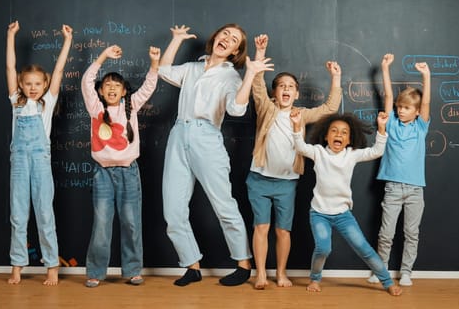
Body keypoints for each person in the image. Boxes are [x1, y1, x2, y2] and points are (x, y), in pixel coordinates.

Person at [158, 24, 274, 287]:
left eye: (234, 40)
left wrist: (250, 75)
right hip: (178, 135)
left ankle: (243, 263)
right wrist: (175, 39)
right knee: (173, 210)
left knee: (224, 205)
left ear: (235, 51)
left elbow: (236, 110)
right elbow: (163, 71)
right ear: (216, 38)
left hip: (207, 138)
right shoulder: (192, 68)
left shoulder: (232, 77)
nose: (227, 39)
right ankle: (191, 266)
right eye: (225, 34)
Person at [246, 34, 342, 289]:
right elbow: (256, 86)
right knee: (261, 227)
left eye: (290, 86)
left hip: (287, 182)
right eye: (281, 86)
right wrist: (259, 53)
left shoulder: (302, 114)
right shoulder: (267, 109)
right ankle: (261, 274)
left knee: (282, 231)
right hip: (259, 179)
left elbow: (330, 107)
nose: (286, 89)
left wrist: (336, 78)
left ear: (296, 93)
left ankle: (280, 273)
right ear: (274, 93)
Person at [290, 108, 402, 296]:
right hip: (319, 213)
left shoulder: (352, 154)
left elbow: (377, 151)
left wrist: (382, 128)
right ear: (326, 136)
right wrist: (296, 125)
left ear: (349, 140)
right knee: (323, 248)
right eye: (334, 131)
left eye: (344, 133)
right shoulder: (318, 152)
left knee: (364, 248)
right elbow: (300, 147)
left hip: (343, 215)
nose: (338, 135)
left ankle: (387, 281)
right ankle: (315, 279)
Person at [82, 45, 160, 288]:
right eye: (107, 85)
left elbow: (148, 86)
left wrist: (154, 64)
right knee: (102, 224)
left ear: (124, 91)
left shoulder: (131, 106)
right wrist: (104, 56)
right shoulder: (96, 109)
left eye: (117, 85)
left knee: (131, 222)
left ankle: (133, 270)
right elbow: (86, 81)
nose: (112, 88)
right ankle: (95, 271)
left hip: (128, 172)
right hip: (103, 174)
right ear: (100, 91)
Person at [5, 20, 73, 285]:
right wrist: (11, 35)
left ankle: (52, 265)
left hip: (41, 161)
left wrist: (67, 41)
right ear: (21, 85)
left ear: (44, 86)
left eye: (37, 84)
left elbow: (58, 70)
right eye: (28, 83)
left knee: (45, 212)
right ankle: (17, 266)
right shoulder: (15, 101)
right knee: (18, 213)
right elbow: (10, 66)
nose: (33, 87)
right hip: (20, 161)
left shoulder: (48, 102)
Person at [367, 54, 431, 287]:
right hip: (392, 188)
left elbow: (425, 103)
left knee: (411, 234)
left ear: (415, 112)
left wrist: (426, 76)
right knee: (386, 234)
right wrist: (384, 68)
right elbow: (388, 95)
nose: (401, 110)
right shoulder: (391, 122)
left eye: (406, 108)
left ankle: (406, 272)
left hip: (415, 189)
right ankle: (381, 271)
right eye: (400, 107)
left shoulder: (420, 127)